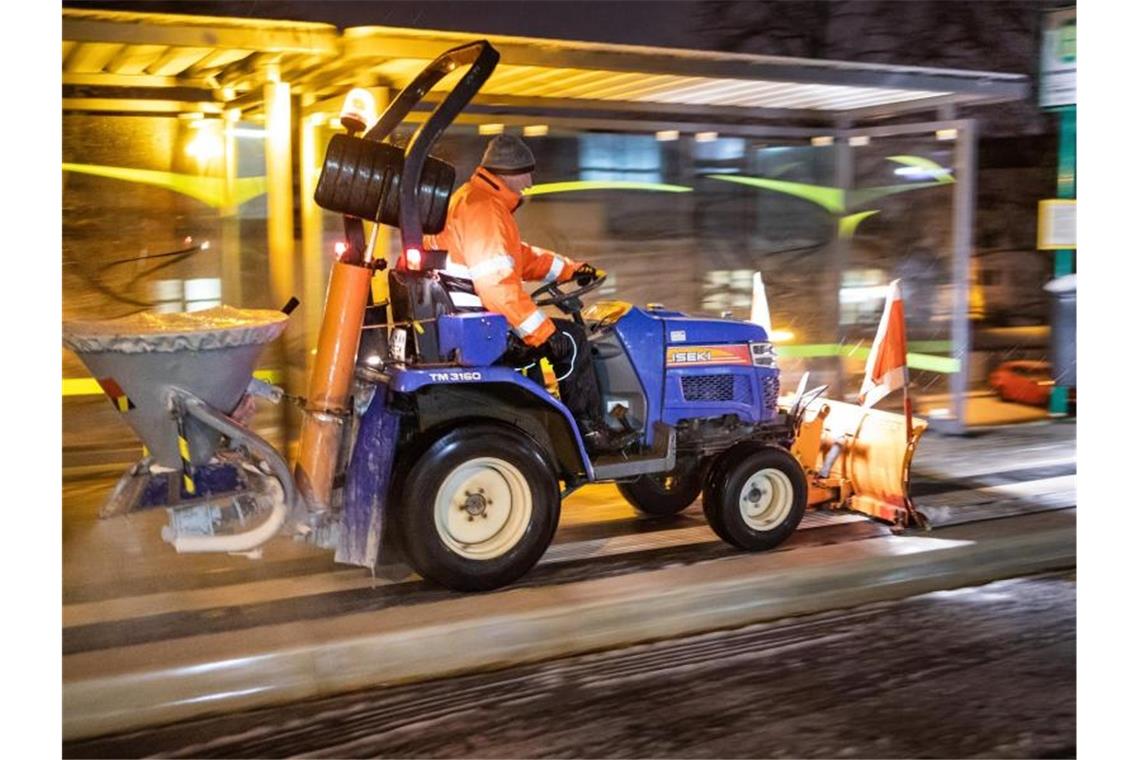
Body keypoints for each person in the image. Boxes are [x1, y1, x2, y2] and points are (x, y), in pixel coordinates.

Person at [426, 134, 632, 453]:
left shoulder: (473, 200)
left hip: (473, 322)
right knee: (572, 340)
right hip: (483, 327)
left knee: (558, 335)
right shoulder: (485, 209)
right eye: (527, 173)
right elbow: (496, 285)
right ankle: (590, 432)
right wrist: (543, 333)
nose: (530, 182)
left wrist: (571, 270)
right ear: (508, 171)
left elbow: (519, 257)